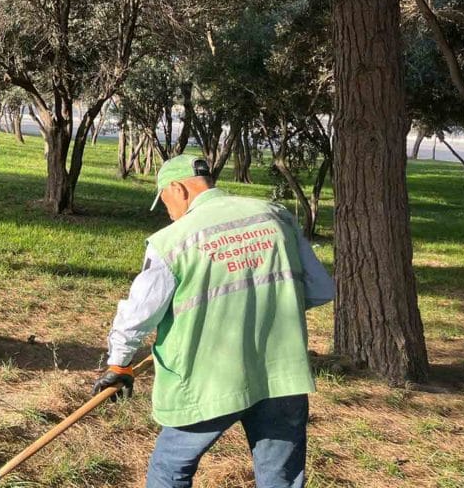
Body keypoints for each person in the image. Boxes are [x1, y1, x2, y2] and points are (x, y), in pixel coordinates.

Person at [92, 154, 334, 488]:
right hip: (281, 374)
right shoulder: (277, 216)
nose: (169, 212)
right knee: (281, 476)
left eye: (165, 201)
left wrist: (118, 364)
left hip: (208, 380)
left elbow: (139, 315)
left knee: (170, 468)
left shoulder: (172, 241)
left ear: (178, 189)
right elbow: (320, 289)